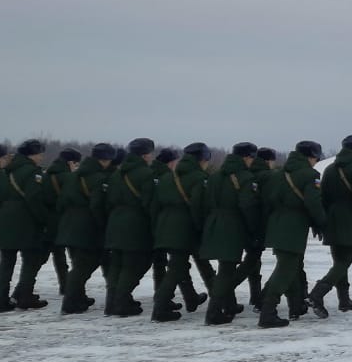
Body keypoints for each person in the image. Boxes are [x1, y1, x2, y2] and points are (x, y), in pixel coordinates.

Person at [258, 140, 326, 328]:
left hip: (276, 223)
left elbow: (269, 199)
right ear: (311, 156)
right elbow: (313, 203)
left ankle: (295, 307)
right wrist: (322, 223)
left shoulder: (278, 174)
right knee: (286, 269)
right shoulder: (310, 175)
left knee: (291, 267)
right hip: (293, 226)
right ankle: (267, 312)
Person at [310, 134, 352, 317]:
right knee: (345, 261)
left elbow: (322, 198)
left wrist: (320, 222)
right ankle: (317, 293)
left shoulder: (329, 169)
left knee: (339, 260)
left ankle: (344, 299)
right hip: (348, 217)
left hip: (331, 217)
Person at [150, 143, 211, 322]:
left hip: (165, 226)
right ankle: (160, 308)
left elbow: (154, 205)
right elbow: (199, 207)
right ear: (202, 159)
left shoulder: (168, 177)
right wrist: (200, 227)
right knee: (176, 269)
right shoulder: (199, 178)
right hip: (185, 228)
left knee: (179, 266)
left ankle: (191, 298)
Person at [0, 139, 54, 312]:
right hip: (26, 221)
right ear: (32, 154)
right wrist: (45, 219)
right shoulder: (34, 173)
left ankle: (0, 301)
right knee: (31, 259)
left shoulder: (5, 172)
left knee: (6, 262)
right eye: (40, 154)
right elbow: (34, 199)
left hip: (5, 219)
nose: (42, 157)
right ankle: (24, 297)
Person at [201, 141, 258, 325]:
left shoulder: (215, 176)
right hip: (232, 226)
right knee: (226, 270)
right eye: (251, 157)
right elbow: (247, 206)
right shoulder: (245, 177)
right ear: (246, 157)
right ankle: (214, 312)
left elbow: (207, 201)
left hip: (214, 222)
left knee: (225, 267)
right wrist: (254, 229)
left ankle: (226, 305)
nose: (252, 161)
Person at [103, 138, 157, 317]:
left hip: (115, 222)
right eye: (150, 153)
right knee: (133, 265)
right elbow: (149, 202)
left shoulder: (117, 173)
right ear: (144, 155)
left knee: (116, 265)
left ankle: (111, 303)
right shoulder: (145, 173)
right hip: (135, 224)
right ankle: (121, 302)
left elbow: (109, 199)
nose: (152, 157)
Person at [57, 144, 112, 313]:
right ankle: (71, 302)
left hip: (69, 224)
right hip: (87, 227)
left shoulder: (73, 176)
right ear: (104, 160)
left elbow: (61, 202)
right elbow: (97, 205)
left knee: (78, 264)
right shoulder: (99, 178)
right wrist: (102, 224)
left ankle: (78, 299)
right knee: (83, 267)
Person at [40, 147, 79, 298]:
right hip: (63, 220)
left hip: (48, 221)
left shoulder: (46, 175)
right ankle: (67, 286)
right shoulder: (68, 177)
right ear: (70, 162)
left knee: (51, 255)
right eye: (75, 163)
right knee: (69, 256)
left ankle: (23, 288)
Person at [243, 147, 277, 309]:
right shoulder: (267, 176)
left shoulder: (248, 173)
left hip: (245, 222)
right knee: (252, 261)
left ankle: (255, 296)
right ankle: (257, 298)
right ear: (268, 161)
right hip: (260, 223)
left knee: (252, 260)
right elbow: (269, 201)